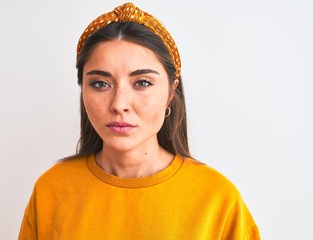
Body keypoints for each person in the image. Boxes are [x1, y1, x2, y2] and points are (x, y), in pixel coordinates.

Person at [18, 2, 260, 239]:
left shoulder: (218, 200)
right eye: (100, 84)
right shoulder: (51, 190)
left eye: (142, 82)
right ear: (83, 90)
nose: (119, 104)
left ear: (171, 92)